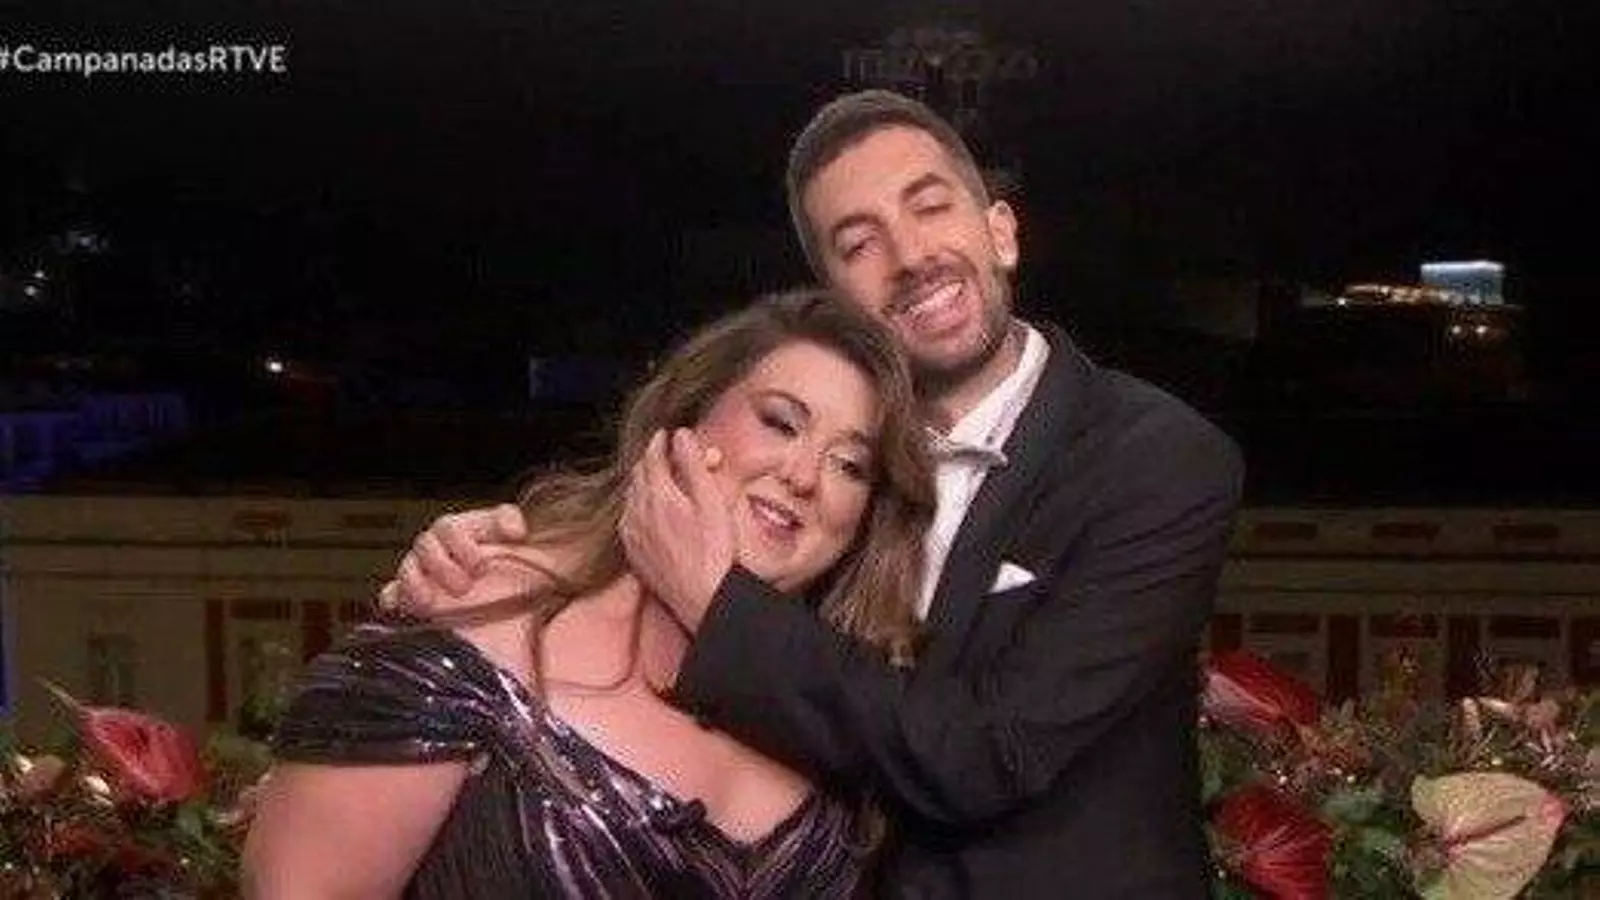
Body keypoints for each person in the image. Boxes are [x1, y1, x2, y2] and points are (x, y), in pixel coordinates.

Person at [392, 90, 1244, 898]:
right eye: (859, 242)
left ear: (1001, 232)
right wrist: (498, 564)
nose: (911, 257)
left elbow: (991, 752)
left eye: (930, 206)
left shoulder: (1160, 459)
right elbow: (646, 547)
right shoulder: (821, 480)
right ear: (836, 300)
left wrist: (717, 607)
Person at [243, 289, 937, 898]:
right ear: (688, 420)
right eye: (781, 423)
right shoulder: (480, 610)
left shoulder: (847, 710)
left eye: (851, 465)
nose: (804, 475)